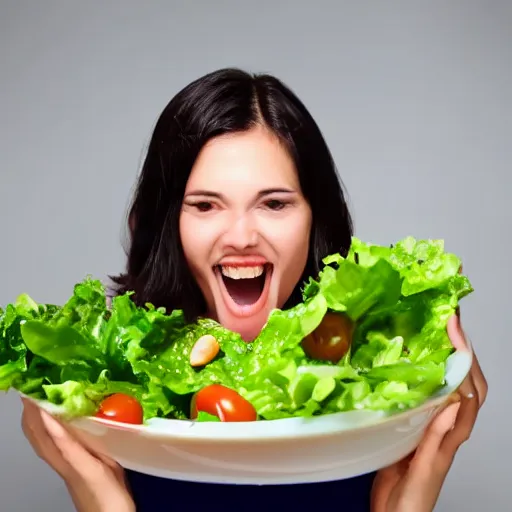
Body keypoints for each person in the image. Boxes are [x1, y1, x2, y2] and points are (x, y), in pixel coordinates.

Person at [20, 68, 488, 512]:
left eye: (274, 203)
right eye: (205, 205)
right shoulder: (111, 400)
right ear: (164, 226)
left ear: (315, 219)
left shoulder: (380, 401)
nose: (241, 236)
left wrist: (406, 502)